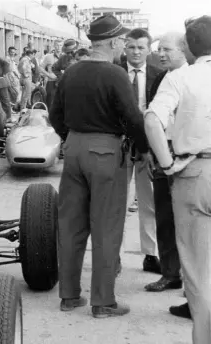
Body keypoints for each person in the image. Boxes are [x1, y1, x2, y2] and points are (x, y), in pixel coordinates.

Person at [50, 14, 150, 318]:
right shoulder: (115, 74)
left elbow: (56, 115)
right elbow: (133, 118)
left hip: (75, 149)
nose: (123, 45)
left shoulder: (71, 72)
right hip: (106, 152)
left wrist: (72, 139)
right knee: (106, 226)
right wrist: (143, 149)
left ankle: (69, 296)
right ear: (112, 42)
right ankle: (103, 301)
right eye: (121, 41)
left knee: (71, 225)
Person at [143, 15, 211, 344]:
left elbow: (153, 121)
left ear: (188, 47)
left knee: (198, 271)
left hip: (195, 173)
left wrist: (169, 164)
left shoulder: (180, 78)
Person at [143, 31, 189, 295]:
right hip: (164, 152)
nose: (161, 54)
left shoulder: (196, 78)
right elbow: (153, 119)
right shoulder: (161, 78)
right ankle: (170, 273)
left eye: (167, 49)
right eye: (159, 49)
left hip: (188, 153)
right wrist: (152, 151)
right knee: (164, 214)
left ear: (183, 49)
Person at [120, 28, 164, 274]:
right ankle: (114, 255)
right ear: (125, 48)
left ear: (149, 50)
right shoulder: (114, 73)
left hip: (149, 150)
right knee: (118, 203)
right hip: (120, 147)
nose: (136, 52)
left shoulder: (159, 75)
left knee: (149, 203)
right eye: (132, 47)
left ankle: (150, 254)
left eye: (141, 47)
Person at [40, 40, 61, 109]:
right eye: (57, 45)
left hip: (61, 83)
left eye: (60, 45)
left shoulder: (64, 57)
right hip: (51, 83)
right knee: (50, 104)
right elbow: (41, 68)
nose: (59, 47)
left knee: (61, 105)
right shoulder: (48, 57)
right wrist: (48, 75)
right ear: (54, 46)